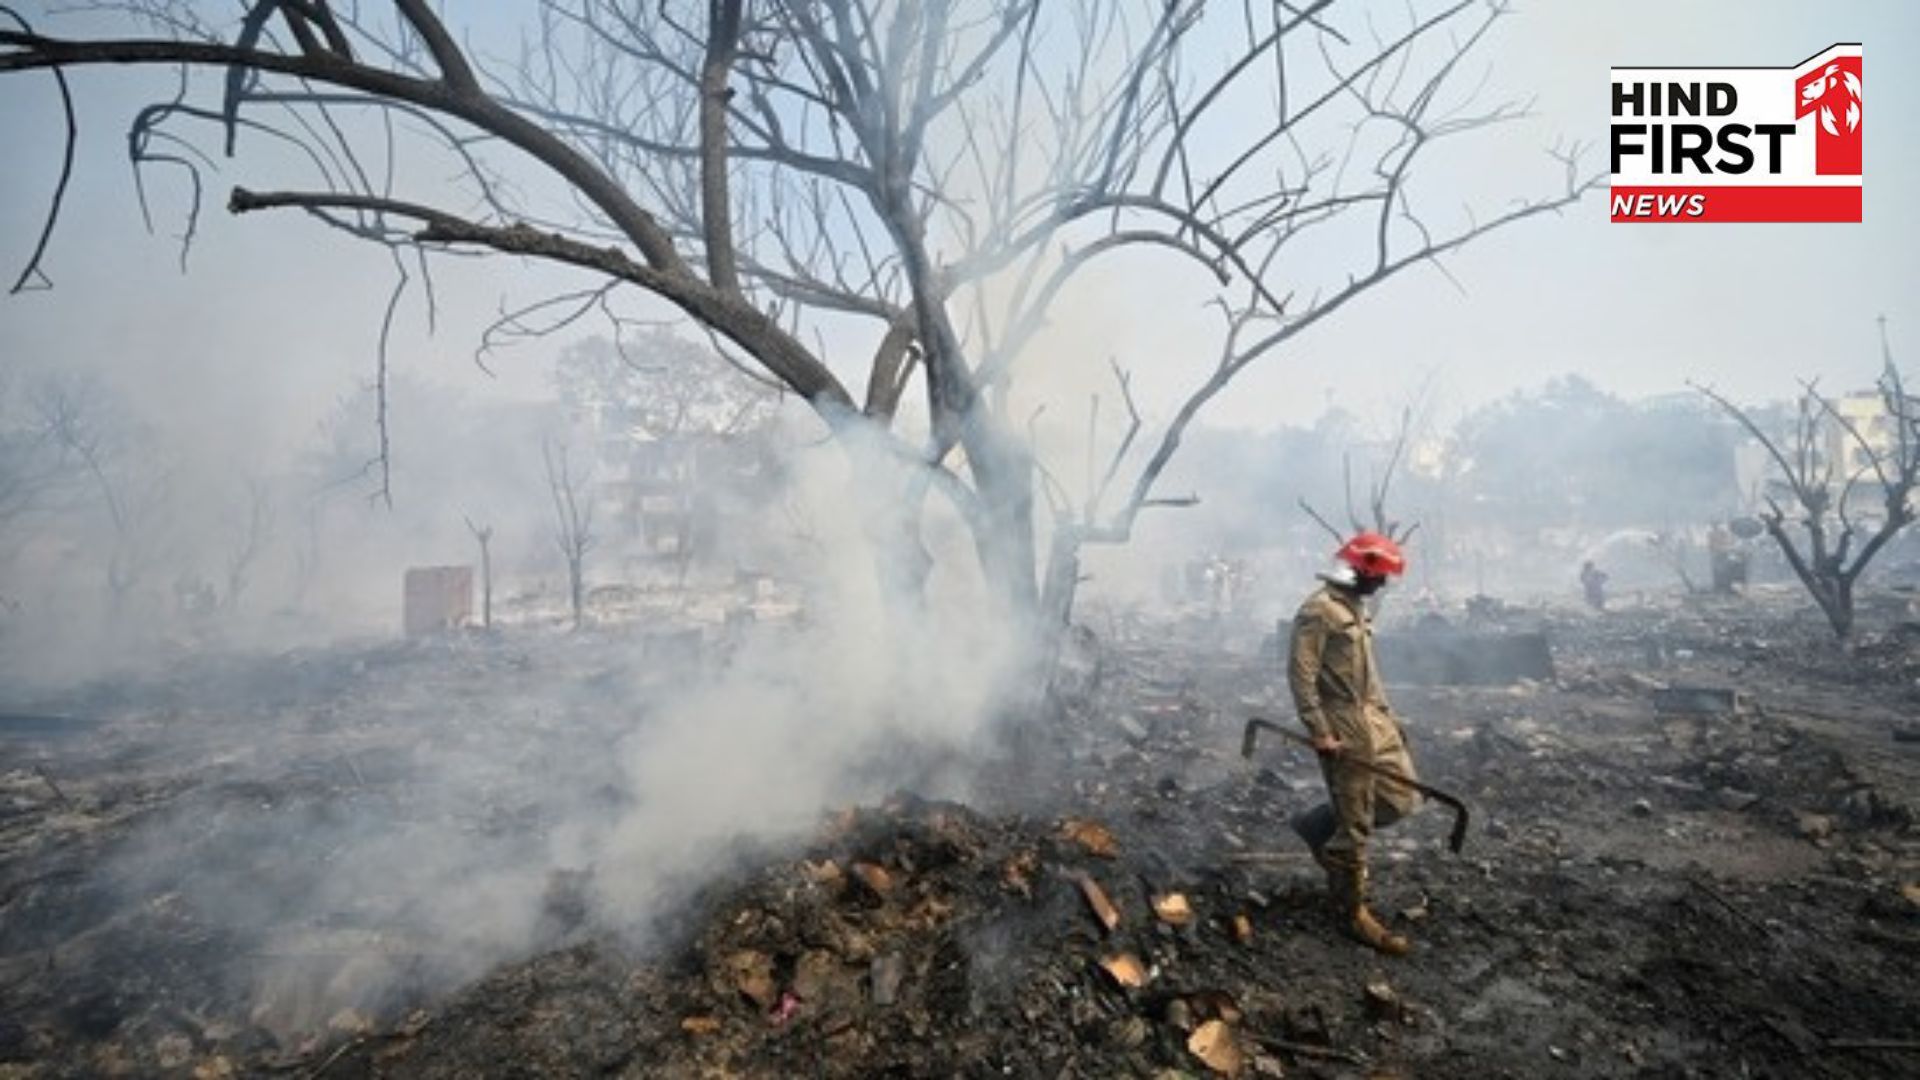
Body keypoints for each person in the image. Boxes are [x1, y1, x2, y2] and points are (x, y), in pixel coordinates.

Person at [1286, 531, 1420, 955]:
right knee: (1356, 823)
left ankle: (1319, 824)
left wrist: (1390, 720)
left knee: (1399, 798)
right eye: (1376, 577)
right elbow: (1301, 675)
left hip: (1372, 719)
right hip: (1343, 724)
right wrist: (1319, 730)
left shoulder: (1355, 608)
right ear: (1358, 571)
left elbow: (1370, 674)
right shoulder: (1319, 610)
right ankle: (1352, 914)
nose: (1380, 585)